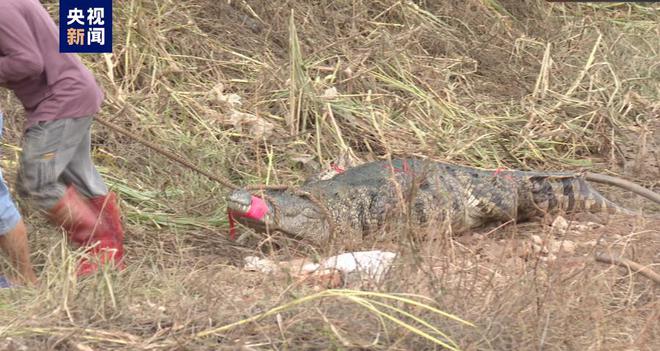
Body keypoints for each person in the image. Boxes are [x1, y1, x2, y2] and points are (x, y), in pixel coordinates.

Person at [0, 0, 125, 277]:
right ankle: (110, 254)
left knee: (37, 181)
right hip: (72, 92)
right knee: (80, 177)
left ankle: (98, 245)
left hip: (60, 99)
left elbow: (28, 61)